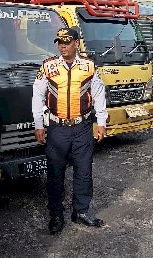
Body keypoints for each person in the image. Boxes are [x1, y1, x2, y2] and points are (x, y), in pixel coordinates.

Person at [32, 26, 107, 234]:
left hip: (83, 127)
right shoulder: (48, 66)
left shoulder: (90, 66)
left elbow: (99, 94)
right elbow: (37, 95)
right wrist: (39, 124)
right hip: (57, 128)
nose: (63, 46)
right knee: (55, 173)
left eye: (67, 42)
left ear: (77, 43)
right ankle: (56, 214)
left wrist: (101, 122)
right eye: (60, 42)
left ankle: (81, 211)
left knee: (84, 171)